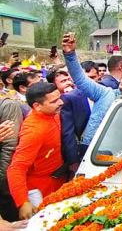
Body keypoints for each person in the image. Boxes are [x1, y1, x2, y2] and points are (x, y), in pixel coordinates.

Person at [61, 33, 122, 153]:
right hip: (92, 152)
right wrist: (70, 55)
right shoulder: (105, 93)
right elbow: (80, 79)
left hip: (121, 153)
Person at [7, 82, 66, 220]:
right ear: (37, 106)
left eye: (59, 97)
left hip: (59, 181)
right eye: (54, 101)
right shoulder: (34, 131)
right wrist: (23, 202)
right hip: (41, 191)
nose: (61, 102)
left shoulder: (52, 113)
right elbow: (16, 168)